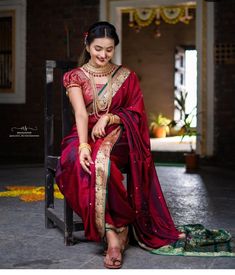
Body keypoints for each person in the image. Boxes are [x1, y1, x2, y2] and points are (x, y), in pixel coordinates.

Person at [55, 21, 230, 268]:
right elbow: (81, 115)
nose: (103, 55)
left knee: (102, 160)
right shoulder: (75, 76)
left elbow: (136, 113)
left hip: (120, 136)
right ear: (87, 45)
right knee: (79, 161)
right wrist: (83, 146)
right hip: (83, 136)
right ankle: (117, 231)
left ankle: (115, 237)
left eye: (109, 49)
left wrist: (110, 117)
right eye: (97, 49)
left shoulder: (126, 76)